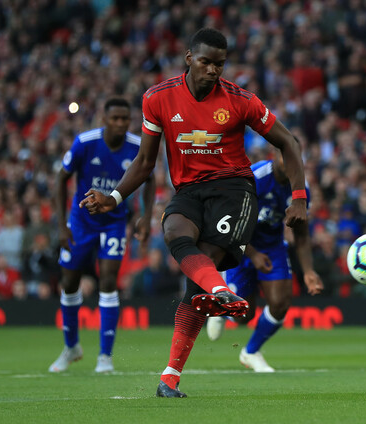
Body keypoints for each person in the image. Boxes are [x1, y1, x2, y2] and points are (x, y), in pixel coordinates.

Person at [80, 28, 307, 397]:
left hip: (234, 190)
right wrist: (115, 198)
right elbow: (145, 161)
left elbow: (289, 142)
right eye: (206, 62)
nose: (213, 70)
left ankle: (175, 367)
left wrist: (299, 197)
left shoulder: (241, 100)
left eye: (220, 64)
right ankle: (217, 297)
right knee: (173, 232)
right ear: (189, 58)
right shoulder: (157, 98)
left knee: (200, 276)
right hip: (188, 191)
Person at [49, 98, 155, 373]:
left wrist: (145, 216)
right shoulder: (85, 143)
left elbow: (150, 178)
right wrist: (61, 225)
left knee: (108, 280)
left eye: (125, 119)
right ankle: (71, 347)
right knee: (69, 282)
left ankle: (105, 357)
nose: (120, 123)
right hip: (81, 222)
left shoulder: (136, 146)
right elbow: (61, 178)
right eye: (115, 118)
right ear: (104, 119)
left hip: (114, 223)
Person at [206, 146, 324, 372]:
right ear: (275, 155)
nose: (291, 162)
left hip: (272, 247)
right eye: (286, 156)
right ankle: (222, 307)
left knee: (281, 303)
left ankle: (251, 352)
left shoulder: (301, 189)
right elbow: (230, 224)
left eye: (296, 158)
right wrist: (252, 254)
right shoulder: (254, 178)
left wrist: (308, 270)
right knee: (243, 316)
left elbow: (301, 234)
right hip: (239, 245)